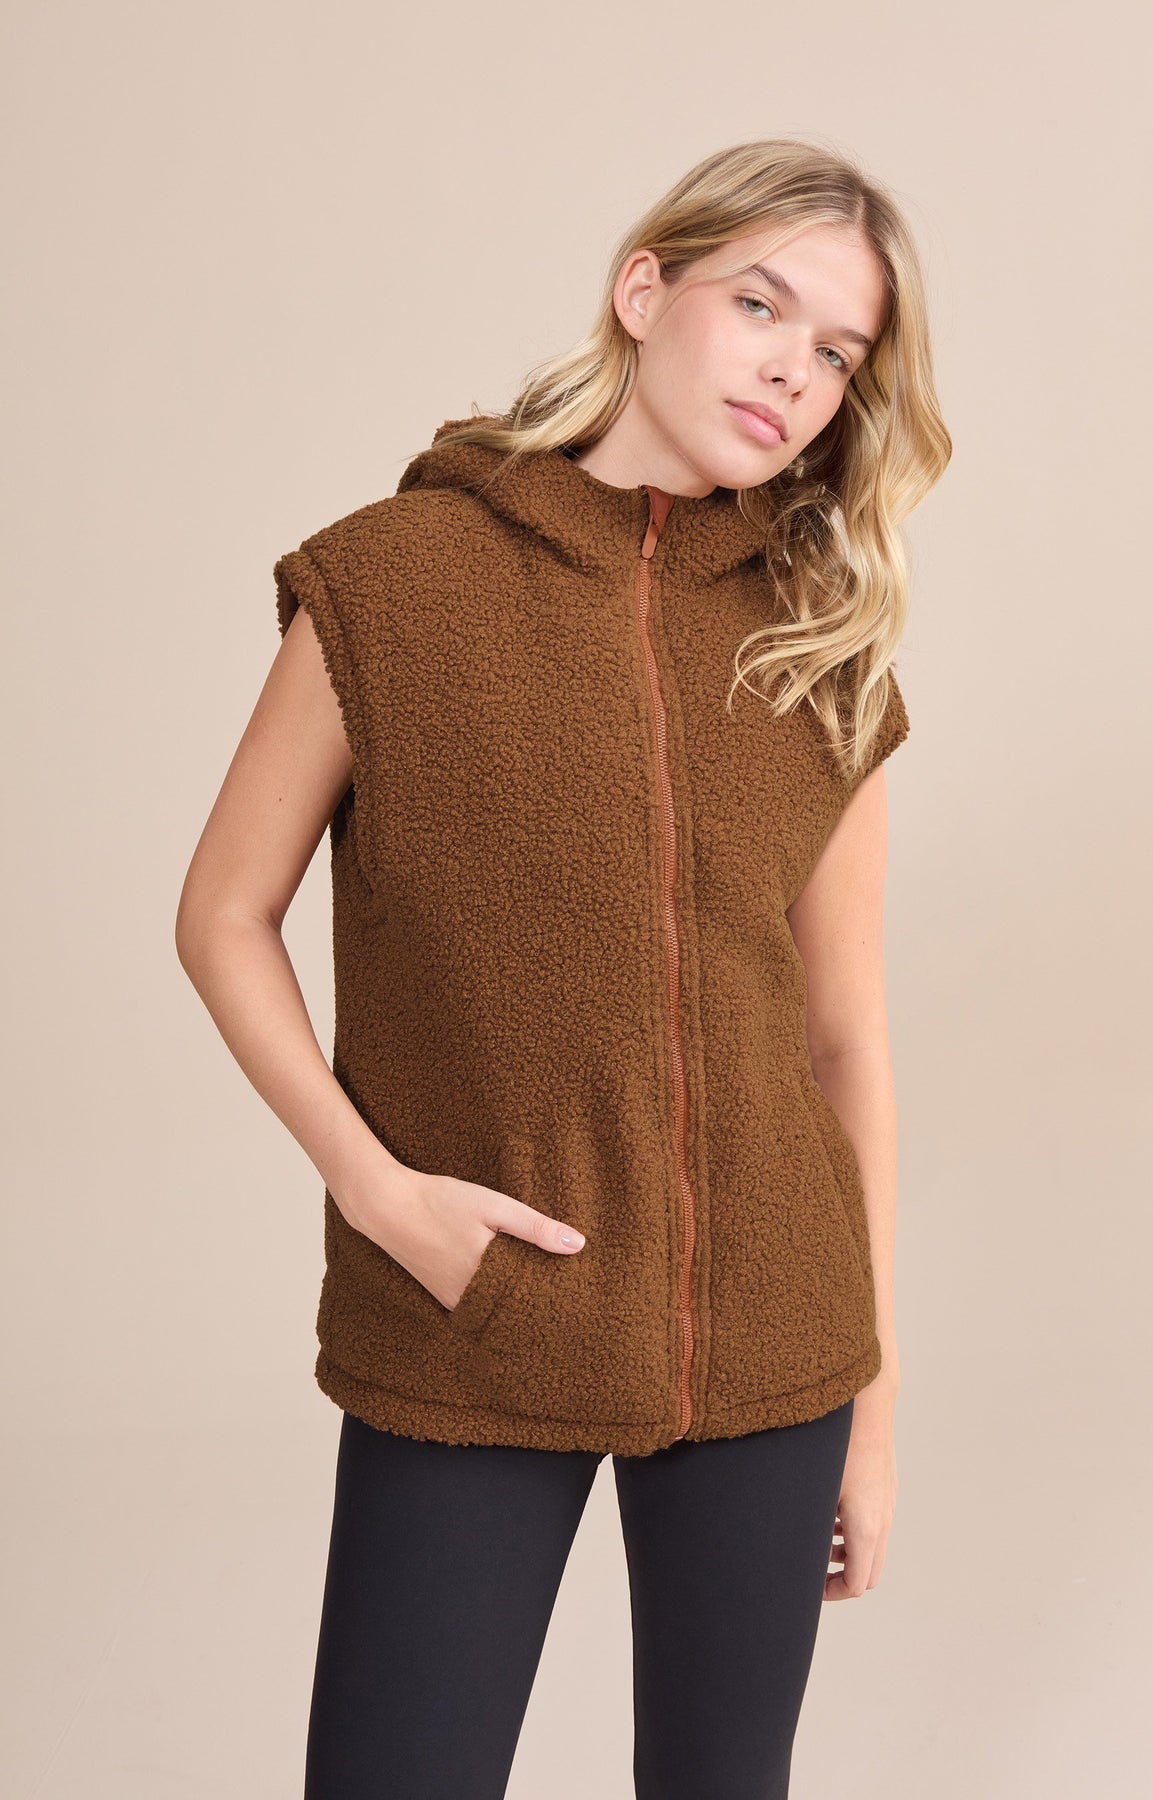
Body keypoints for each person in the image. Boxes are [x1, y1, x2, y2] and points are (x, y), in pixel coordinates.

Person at [176, 136, 951, 1800]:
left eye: (837, 354)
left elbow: (846, 1040)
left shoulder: (817, 643)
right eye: (763, 306)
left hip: (776, 1340)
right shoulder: (391, 581)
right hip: (473, 1308)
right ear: (644, 288)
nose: (794, 373)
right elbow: (223, 913)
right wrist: (381, 1196)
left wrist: (875, 1408)